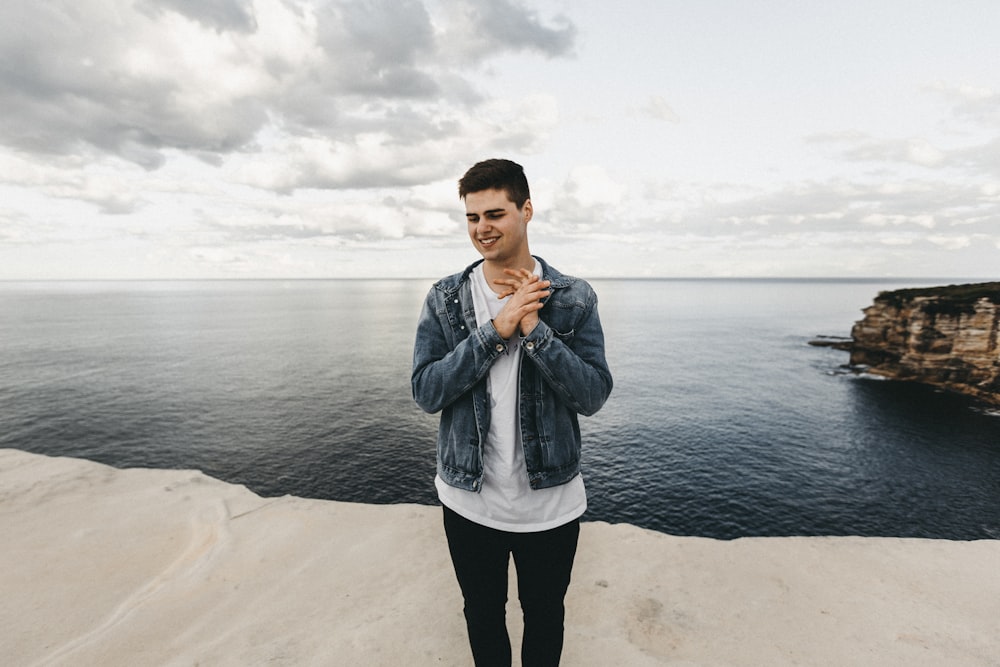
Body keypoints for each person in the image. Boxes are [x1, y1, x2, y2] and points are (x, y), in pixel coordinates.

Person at [411, 158, 613, 666]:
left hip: (550, 504)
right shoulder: (446, 299)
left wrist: (533, 331)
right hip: (469, 501)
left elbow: (592, 396)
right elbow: (426, 391)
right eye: (473, 217)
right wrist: (494, 331)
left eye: (495, 213)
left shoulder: (573, 298)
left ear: (526, 210)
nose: (482, 228)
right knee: (482, 617)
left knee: (545, 619)